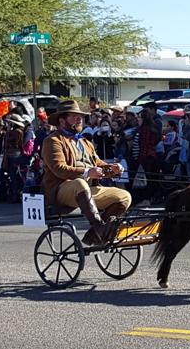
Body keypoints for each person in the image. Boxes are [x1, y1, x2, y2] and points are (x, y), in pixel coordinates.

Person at [41, 100, 130, 245]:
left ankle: (95, 235)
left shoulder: (85, 142)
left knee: (124, 196)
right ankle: (99, 227)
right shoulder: (52, 141)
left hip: (86, 189)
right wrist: (88, 172)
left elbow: (98, 164)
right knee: (80, 183)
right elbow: (59, 169)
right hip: (62, 189)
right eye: (74, 116)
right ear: (62, 121)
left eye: (80, 117)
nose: (80, 119)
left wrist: (112, 169)